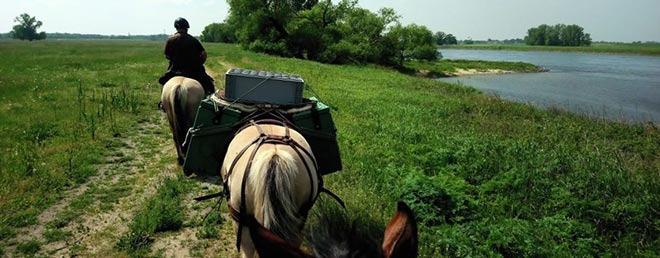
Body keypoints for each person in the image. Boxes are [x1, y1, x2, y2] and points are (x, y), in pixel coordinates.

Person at [159, 17, 215, 95]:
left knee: (163, 82)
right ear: (187, 28)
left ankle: (162, 102)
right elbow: (203, 54)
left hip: (174, 70)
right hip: (194, 71)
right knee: (209, 85)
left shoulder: (170, 40)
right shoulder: (193, 40)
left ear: (176, 27)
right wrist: (199, 63)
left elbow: (167, 56)